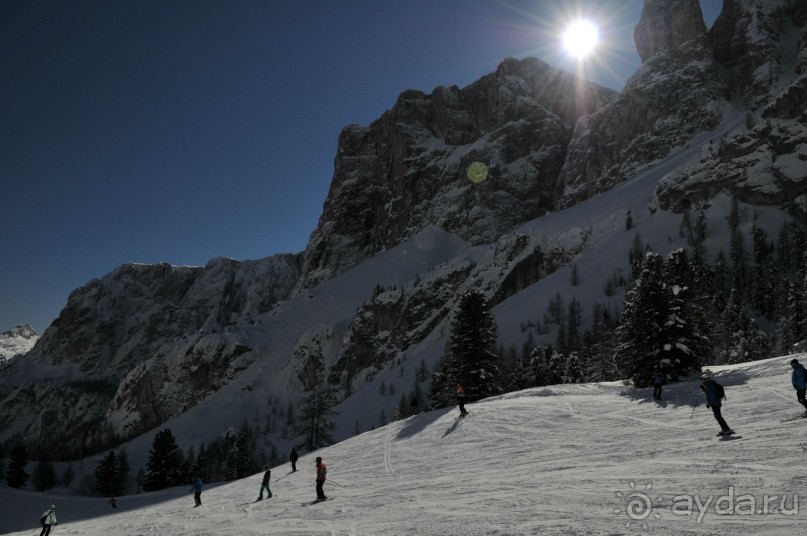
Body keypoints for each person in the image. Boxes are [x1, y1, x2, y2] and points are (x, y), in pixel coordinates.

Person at [700, 371, 733, 436]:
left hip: (715, 403)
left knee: (718, 417)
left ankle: (726, 429)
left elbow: (711, 396)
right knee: (718, 416)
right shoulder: (710, 384)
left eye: (702, 380)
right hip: (716, 403)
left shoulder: (710, 385)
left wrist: (709, 404)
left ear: (705, 379)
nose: (701, 381)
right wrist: (704, 389)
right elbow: (709, 393)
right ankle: (725, 429)